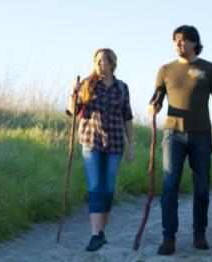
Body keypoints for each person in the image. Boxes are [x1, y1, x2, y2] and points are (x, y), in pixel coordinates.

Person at [148, 25, 212, 255]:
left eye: (183, 40)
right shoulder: (165, 69)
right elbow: (157, 97)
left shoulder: (209, 69)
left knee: (202, 187)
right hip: (173, 135)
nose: (178, 44)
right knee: (169, 185)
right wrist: (154, 105)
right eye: (175, 40)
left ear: (194, 42)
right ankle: (168, 238)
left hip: (201, 136)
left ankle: (199, 233)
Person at [67, 48, 134, 252]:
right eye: (97, 61)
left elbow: (127, 118)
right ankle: (95, 235)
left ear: (112, 63)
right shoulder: (87, 84)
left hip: (115, 144)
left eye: (103, 61)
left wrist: (131, 145)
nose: (100, 64)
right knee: (95, 187)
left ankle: (101, 232)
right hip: (91, 142)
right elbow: (73, 111)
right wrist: (74, 93)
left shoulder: (122, 88)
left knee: (108, 189)